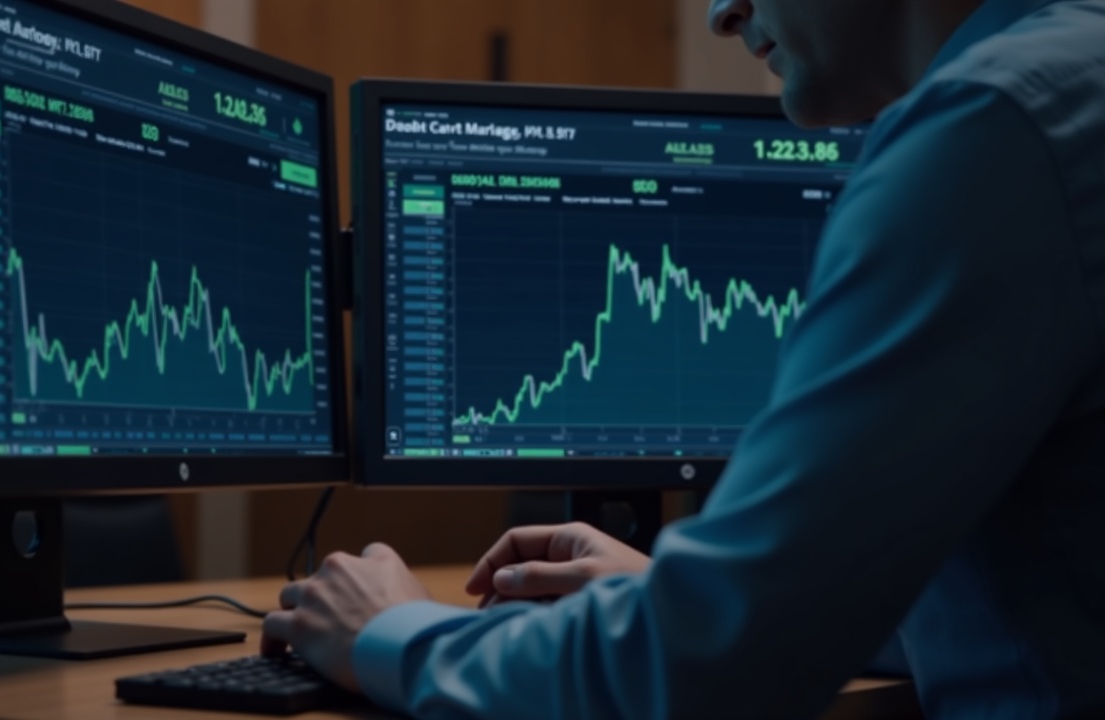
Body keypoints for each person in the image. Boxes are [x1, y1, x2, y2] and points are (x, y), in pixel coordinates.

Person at [262, 0, 1105, 716]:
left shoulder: (992, 124)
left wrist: (393, 635)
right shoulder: (1072, 80)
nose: (722, 13)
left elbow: (710, 676)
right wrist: (688, 598)